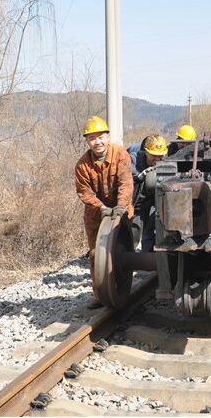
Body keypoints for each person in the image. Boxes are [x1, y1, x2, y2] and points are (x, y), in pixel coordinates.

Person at [74, 115, 134, 306]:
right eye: (92, 138)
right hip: (95, 216)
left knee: (120, 248)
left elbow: (126, 183)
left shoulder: (121, 154)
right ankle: (100, 295)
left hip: (121, 211)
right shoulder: (82, 165)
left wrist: (120, 207)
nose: (97, 142)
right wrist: (101, 208)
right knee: (95, 255)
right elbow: (84, 192)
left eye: (100, 137)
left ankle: (121, 288)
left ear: (107, 137)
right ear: (87, 141)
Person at [127, 134, 168, 252]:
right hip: (135, 202)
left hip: (152, 201)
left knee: (151, 225)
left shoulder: (166, 162)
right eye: (153, 156)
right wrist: (141, 175)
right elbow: (126, 175)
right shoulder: (133, 158)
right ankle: (130, 255)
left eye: (160, 157)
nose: (156, 160)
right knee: (134, 227)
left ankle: (147, 255)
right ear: (146, 151)